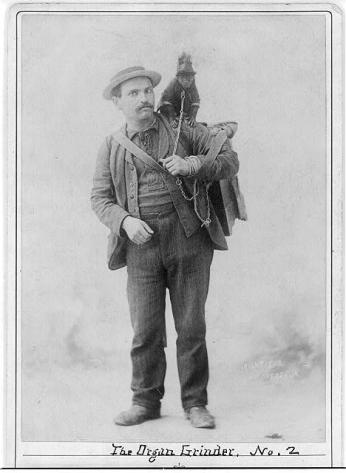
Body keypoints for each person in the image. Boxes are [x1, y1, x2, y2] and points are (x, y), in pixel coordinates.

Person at [91, 65, 239, 429]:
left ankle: (195, 404)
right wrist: (124, 222)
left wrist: (192, 165)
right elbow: (100, 198)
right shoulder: (111, 145)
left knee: (191, 327)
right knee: (145, 330)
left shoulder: (181, 129)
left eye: (147, 91)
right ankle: (144, 401)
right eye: (133, 93)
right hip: (141, 248)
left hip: (189, 241)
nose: (144, 98)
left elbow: (228, 161)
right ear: (117, 102)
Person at [158, 52, 200, 127]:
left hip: (182, 112)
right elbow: (166, 101)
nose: (187, 80)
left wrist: (193, 117)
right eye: (184, 77)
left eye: (190, 77)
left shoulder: (192, 83)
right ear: (178, 77)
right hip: (168, 111)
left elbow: (196, 101)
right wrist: (171, 118)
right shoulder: (173, 83)